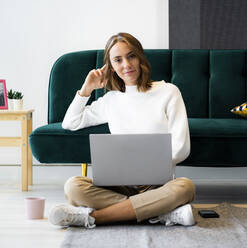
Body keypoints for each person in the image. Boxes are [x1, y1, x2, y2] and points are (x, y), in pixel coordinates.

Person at [48, 33, 195, 228]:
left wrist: (149, 165)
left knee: (185, 188)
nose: (126, 64)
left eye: (131, 56)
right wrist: (87, 89)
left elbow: (181, 147)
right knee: (73, 187)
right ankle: (161, 213)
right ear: (111, 67)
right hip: (119, 185)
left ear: (140, 57)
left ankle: (93, 218)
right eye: (118, 60)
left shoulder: (169, 92)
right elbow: (71, 122)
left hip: (158, 185)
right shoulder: (112, 100)